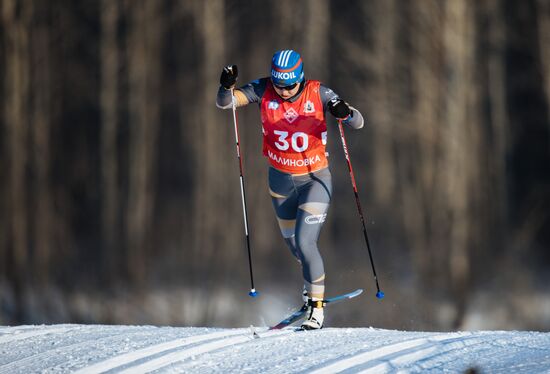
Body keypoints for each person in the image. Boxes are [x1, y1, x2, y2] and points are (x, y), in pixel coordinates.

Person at [216, 49, 364, 330]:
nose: (283, 92)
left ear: (300, 78)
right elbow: (226, 103)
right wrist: (226, 85)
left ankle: (316, 310)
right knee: (294, 245)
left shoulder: (318, 93)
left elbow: (358, 121)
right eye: (279, 86)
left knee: (306, 242)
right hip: (280, 181)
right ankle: (311, 288)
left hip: (314, 180)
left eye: (289, 86)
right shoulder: (263, 89)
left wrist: (344, 113)